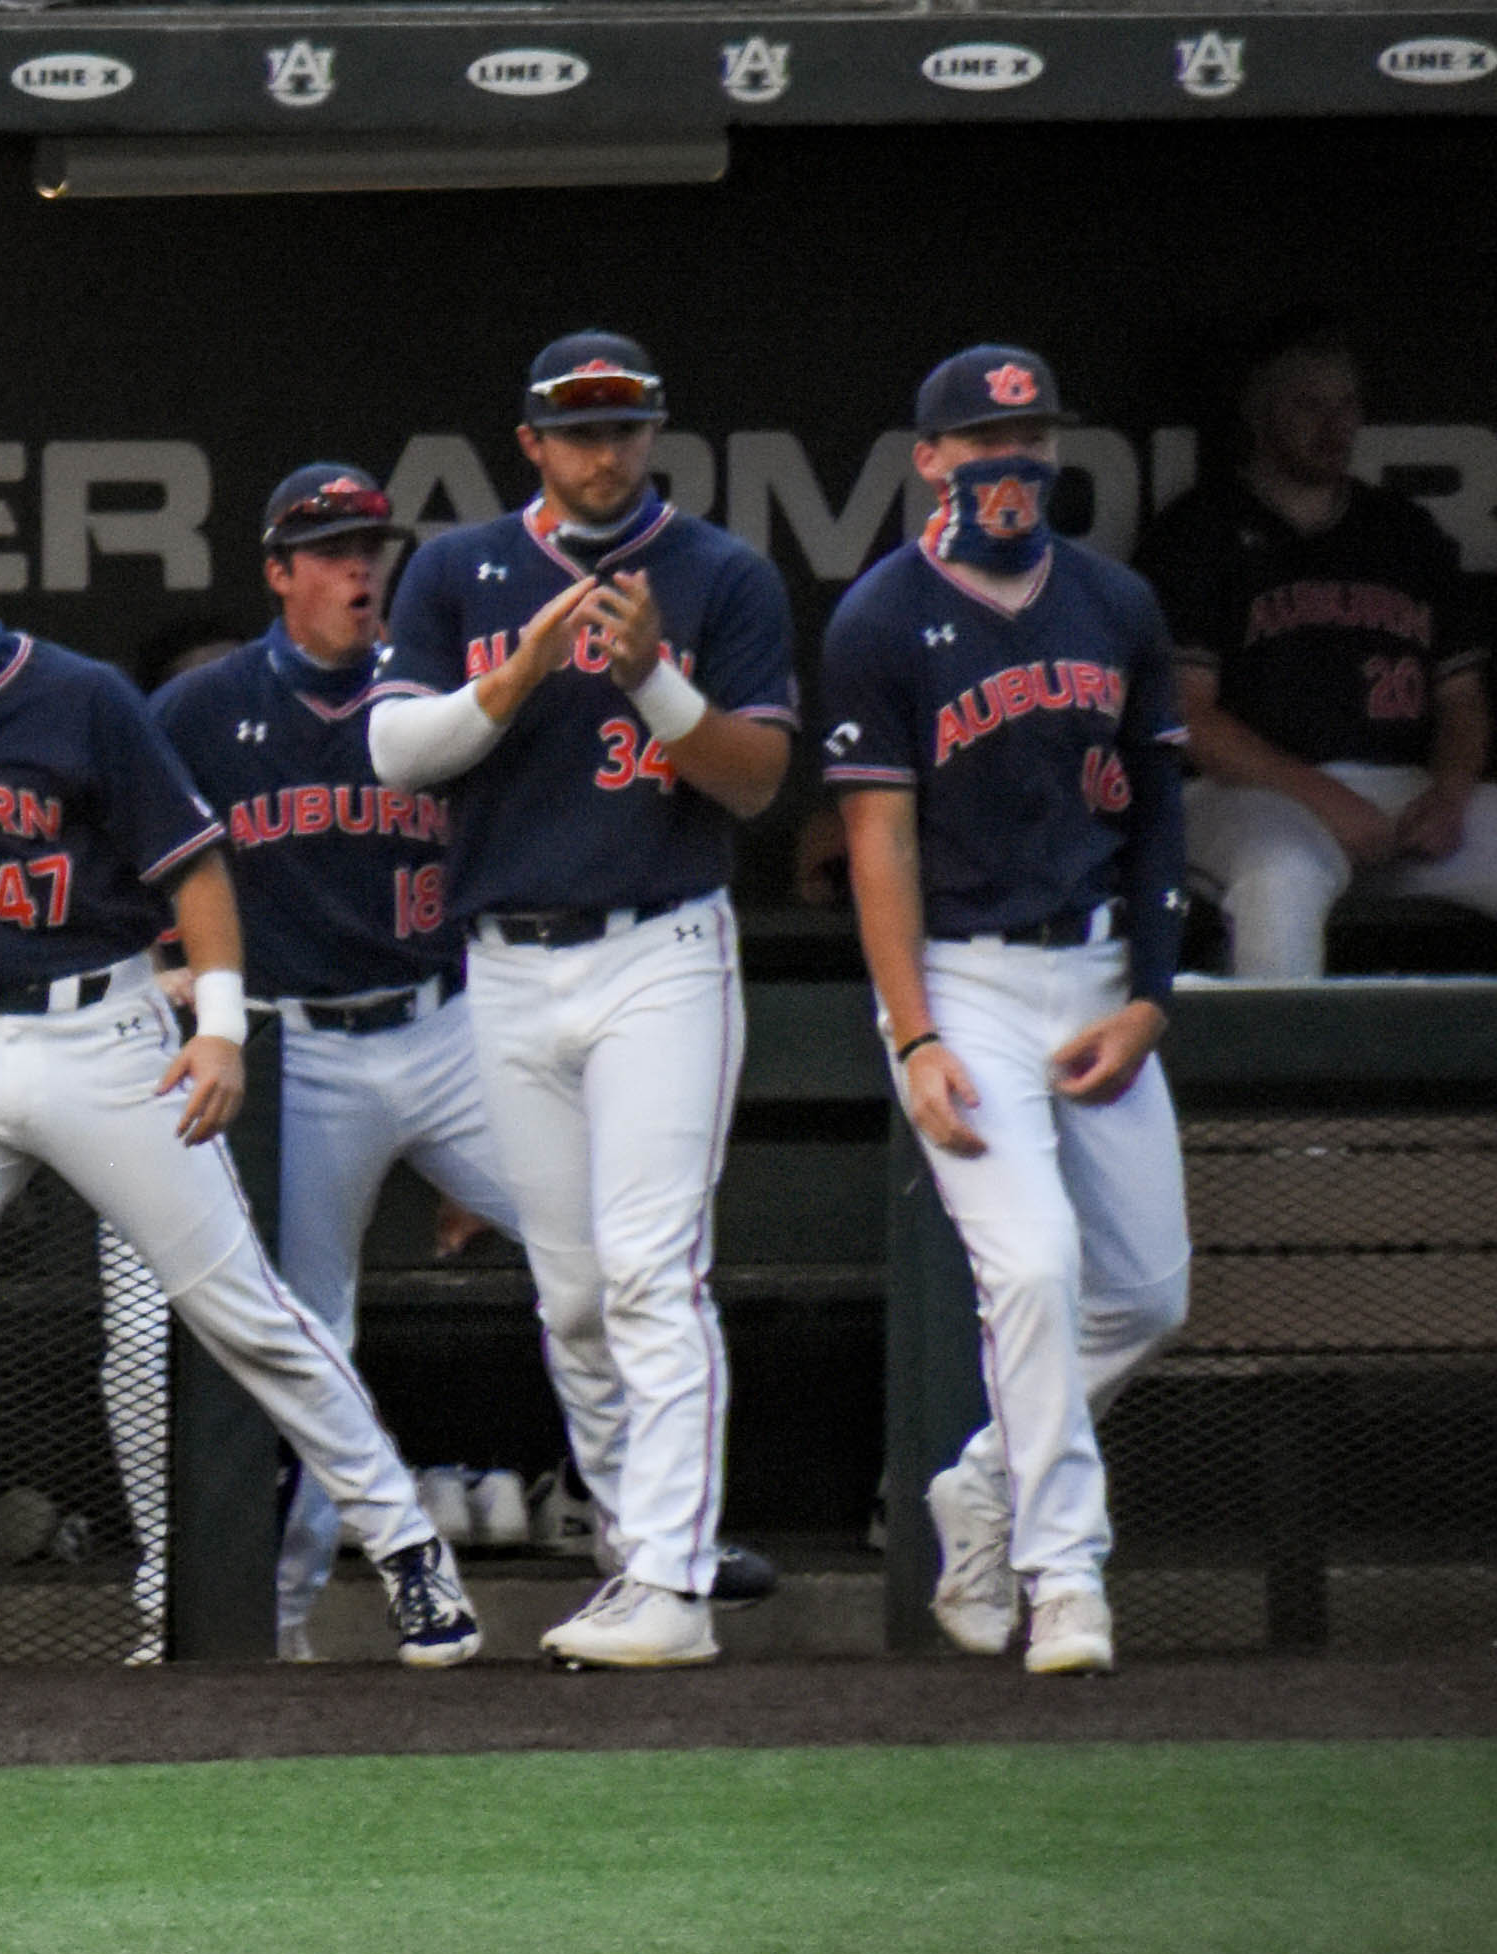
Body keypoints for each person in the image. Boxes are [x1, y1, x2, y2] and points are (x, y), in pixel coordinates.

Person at [0, 474, 476, 1678]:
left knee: (238, 1308)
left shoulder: (76, 694)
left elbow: (194, 871)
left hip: (102, 1025)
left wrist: (223, 1030)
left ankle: (405, 1551)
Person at [362, 332, 802, 1670]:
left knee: (648, 1271)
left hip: (656, 943)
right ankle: (631, 1550)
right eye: (576, 430)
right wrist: (518, 672)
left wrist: (648, 675)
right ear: (531, 444)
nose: (601, 452)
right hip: (502, 958)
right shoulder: (457, 568)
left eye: (622, 427)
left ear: (651, 434)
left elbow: (751, 781)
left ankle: (670, 1577)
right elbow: (393, 754)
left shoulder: (718, 573)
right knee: (566, 1295)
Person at [812, 347, 1194, 1678]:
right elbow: (875, 847)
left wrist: (1148, 996)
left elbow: (1156, 823)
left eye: (1025, 430)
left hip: (1091, 971)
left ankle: (978, 1485)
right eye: (976, 435)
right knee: (1028, 1267)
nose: (1005, 455)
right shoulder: (877, 617)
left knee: (1143, 1293)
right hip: (962, 978)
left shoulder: (1112, 601)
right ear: (926, 456)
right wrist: (910, 1032)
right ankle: (1061, 1576)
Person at [152, 464, 575, 1660]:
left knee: (600, 1246)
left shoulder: (442, 691)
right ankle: (277, 1623)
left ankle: (658, 1550)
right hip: (299, 1052)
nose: (358, 569)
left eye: (369, 547)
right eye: (330, 550)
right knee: (307, 1336)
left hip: (447, 1026)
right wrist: (166, 967)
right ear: (278, 573)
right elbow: (135, 859)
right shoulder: (199, 711)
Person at [1134, 331, 1497, 980]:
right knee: (1283, 871)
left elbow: (1461, 701)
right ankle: (1273, 1078)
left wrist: (1447, 797)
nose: (1334, 426)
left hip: (1400, 793)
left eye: (1346, 407)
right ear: (1258, 416)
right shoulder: (1199, 529)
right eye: (1308, 407)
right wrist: (1325, 799)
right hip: (1243, 793)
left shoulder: (1403, 530)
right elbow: (1182, 712)